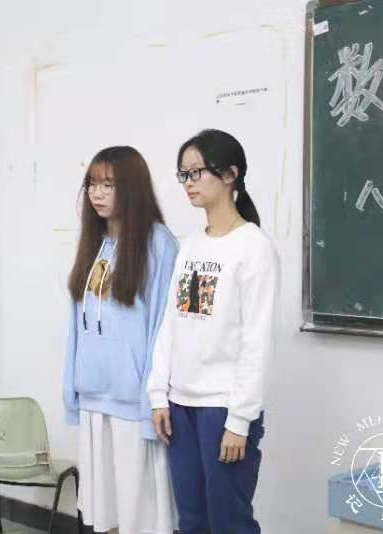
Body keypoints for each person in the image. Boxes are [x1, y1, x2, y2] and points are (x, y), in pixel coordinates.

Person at [148, 129, 279, 534]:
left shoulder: (253, 247)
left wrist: (240, 419)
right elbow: (172, 324)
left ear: (230, 175)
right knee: (191, 521)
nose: (188, 183)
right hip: (180, 406)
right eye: (183, 174)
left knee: (229, 523)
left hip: (223, 408)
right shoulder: (190, 245)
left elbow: (257, 341)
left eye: (197, 172)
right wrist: (159, 394)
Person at [63, 146, 179, 533]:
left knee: (139, 518)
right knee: (106, 515)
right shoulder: (94, 243)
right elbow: (75, 329)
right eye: (92, 184)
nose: (96, 194)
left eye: (108, 185)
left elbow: (162, 330)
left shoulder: (159, 244)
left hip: (134, 405)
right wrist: (72, 394)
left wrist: (152, 406)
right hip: (94, 400)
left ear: (131, 187)